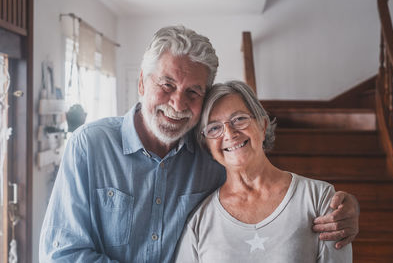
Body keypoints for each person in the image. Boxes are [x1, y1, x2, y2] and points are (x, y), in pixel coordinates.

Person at [39, 26, 358, 263]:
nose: (177, 103)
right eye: (167, 85)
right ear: (141, 83)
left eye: (193, 92)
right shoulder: (89, 146)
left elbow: (273, 196)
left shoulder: (211, 152)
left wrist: (347, 211)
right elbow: (61, 253)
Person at [175, 80, 352, 262]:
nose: (229, 133)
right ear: (207, 145)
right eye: (214, 128)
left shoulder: (318, 198)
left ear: (263, 124)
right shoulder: (199, 221)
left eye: (239, 119)